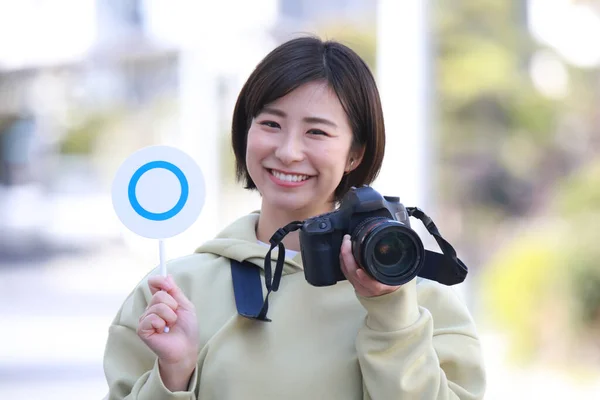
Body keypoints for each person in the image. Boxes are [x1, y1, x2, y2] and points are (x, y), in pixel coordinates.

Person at [103, 36, 486, 400]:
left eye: (316, 132)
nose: (288, 152)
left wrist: (393, 317)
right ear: (245, 131)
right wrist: (174, 374)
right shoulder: (171, 295)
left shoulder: (422, 303)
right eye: (271, 124)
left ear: (354, 155)